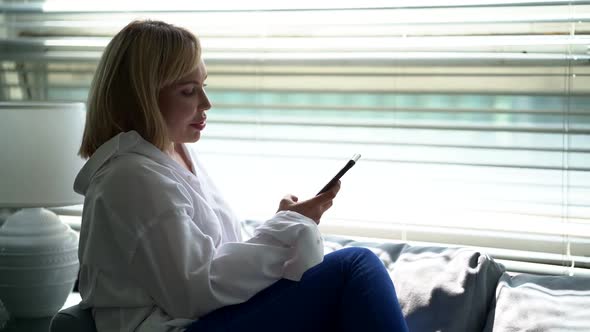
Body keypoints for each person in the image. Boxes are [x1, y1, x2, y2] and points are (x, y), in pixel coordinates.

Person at [75, 19, 409, 332]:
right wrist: (284, 231)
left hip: (209, 316)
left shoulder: (174, 153)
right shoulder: (131, 178)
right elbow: (194, 291)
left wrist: (284, 222)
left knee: (350, 284)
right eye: (189, 91)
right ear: (143, 96)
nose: (207, 103)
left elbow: (219, 255)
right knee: (355, 267)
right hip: (180, 327)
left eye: (203, 86)